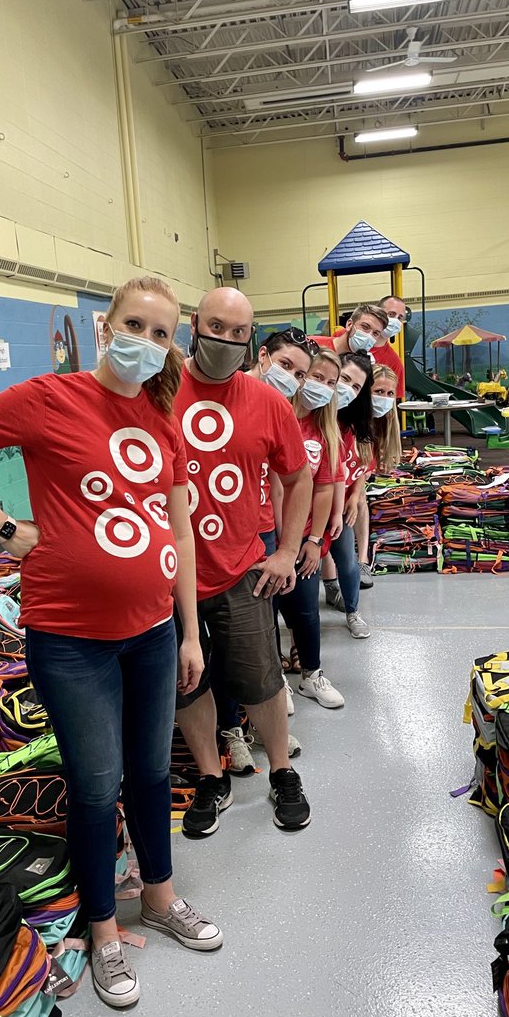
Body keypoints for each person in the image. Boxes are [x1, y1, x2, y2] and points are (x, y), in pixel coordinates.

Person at [0, 276, 220, 1011]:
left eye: (159, 331)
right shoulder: (50, 399)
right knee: (94, 783)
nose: (144, 340)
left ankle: (161, 897)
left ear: (171, 343)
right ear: (104, 324)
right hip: (69, 639)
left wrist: (188, 628)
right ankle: (105, 932)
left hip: (151, 631)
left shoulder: (160, 412)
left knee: (149, 774)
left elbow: (178, 528)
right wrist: (6, 529)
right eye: (133, 323)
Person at [175, 288, 314, 837]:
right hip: (168, 574)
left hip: (240, 569)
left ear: (251, 337)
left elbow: (298, 476)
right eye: (216, 327)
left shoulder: (267, 402)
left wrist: (286, 549)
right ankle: (212, 776)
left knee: (261, 678)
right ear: (194, 325)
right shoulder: (156, 392)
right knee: (189, 682)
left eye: (239, 332)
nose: (226, 340)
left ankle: (281, 769)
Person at [218, 327, 314, 778]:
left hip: (259, 538)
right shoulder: (215, 399)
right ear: (261, 355)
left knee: (257, 645)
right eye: (286, 366)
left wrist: (285, 545)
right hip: (203, 546)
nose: (291, 377)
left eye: (300, 373)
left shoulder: (277, 410)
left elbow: (287, 479)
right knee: (211, 651)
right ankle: (230, 730)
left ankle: (260, 730)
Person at [276, 348, 346, 708]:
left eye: (330, 383)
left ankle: (311, 675)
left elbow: (323, 488)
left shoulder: (325, 430)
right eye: (317, 377)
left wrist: (316, 540)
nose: (322, 386)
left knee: (305, 609)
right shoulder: (275, 415)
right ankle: (275, 682)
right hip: (264, 535)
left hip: (302, 534)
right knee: (264, 614)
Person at [323, 351, 373, 637]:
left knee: (347, 560)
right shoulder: (310, 415)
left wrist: (353, 498)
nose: (347, 389)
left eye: (356, 387)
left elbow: (356, 469)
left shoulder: (351, 426)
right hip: (308, 510)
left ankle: (353, 612)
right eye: (345, 379)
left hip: (338, 509)